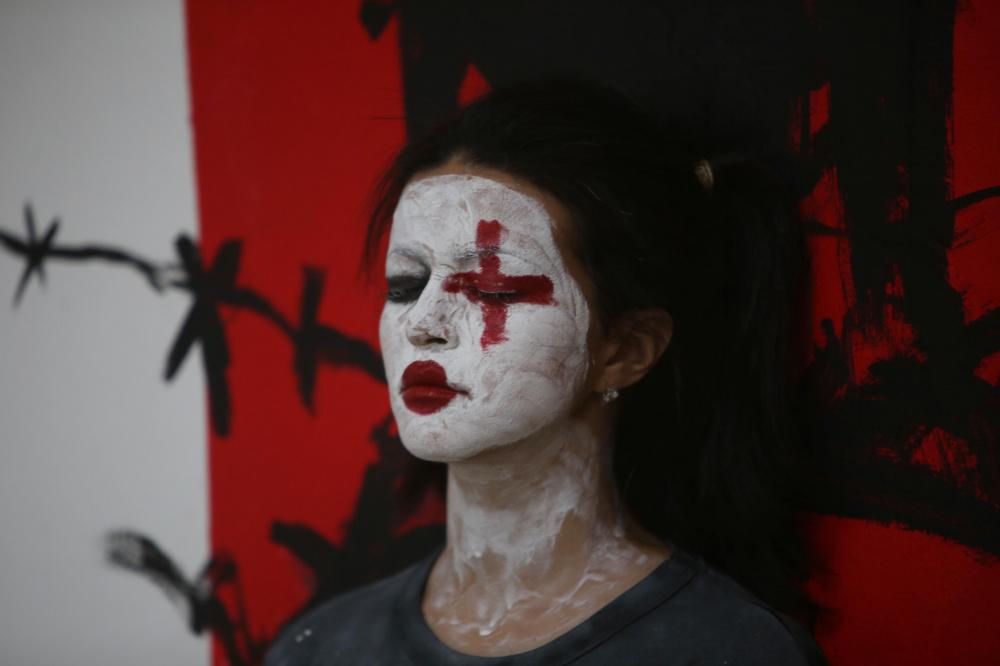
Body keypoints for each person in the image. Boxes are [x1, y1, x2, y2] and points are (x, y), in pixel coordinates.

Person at [266, 79, 827, 665]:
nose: (422, 324)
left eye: (493, 288)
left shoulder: (733, 652)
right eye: (405, 285)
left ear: (627, 350)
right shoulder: (318, 651)